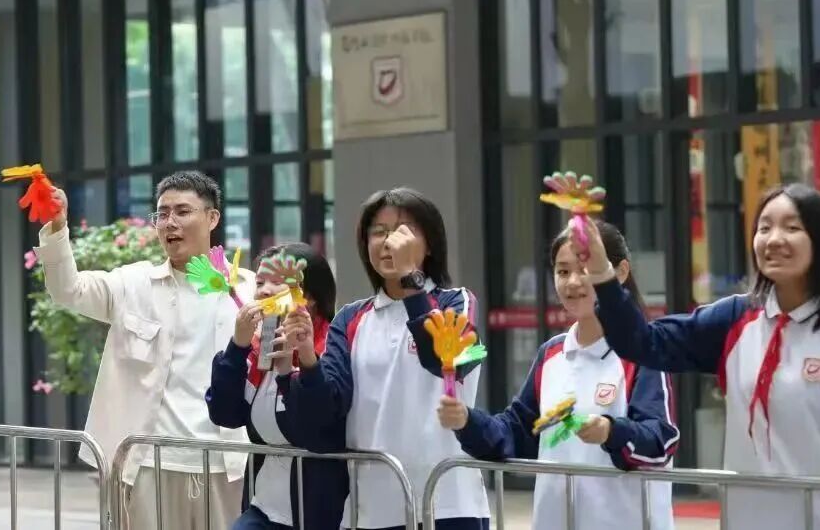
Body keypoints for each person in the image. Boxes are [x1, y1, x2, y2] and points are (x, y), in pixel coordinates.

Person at [580, 183, 820, 529]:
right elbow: (643, 343)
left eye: (792, 227)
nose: (774, 239)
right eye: (764, 227)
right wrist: (602, 273)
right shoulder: (734, 318)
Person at [35, 171, 253, 529]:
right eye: (162, 214)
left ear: (212, 218)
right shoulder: (133, 284)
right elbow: (68, 290)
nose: (170, 223)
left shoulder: (246, 289)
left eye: (183, 211)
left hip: (226, 463)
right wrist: (59, 228)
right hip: (148, 462)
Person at [436, 221, 677, 530]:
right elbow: (515, 434)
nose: (573, 282)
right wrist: (467, 421)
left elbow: (660, 441)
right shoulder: (551, 355)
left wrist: (611, 431)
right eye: (563, 272)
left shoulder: (642, 352)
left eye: (585, 269)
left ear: (619, 272)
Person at [283, 187, 490, 530]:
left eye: (402, 230)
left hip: (448, 503)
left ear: (430, 244)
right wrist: (307, 356)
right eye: (378, 232)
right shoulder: (351, 318)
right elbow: (328, 410)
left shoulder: (456, 302)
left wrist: (411, 281)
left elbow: (446, 360)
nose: (389, 241)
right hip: (372, 507)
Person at [208, 242, 348, 530]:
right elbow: (224, 413)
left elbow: (316, 427)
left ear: (309, 296)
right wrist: (237, 346)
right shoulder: (258, 345)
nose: (264, 291)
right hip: (263, 507)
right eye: (260, 282)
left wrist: (293, 368)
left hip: (321, 511)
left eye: (277, 282)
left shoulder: (331, 346)